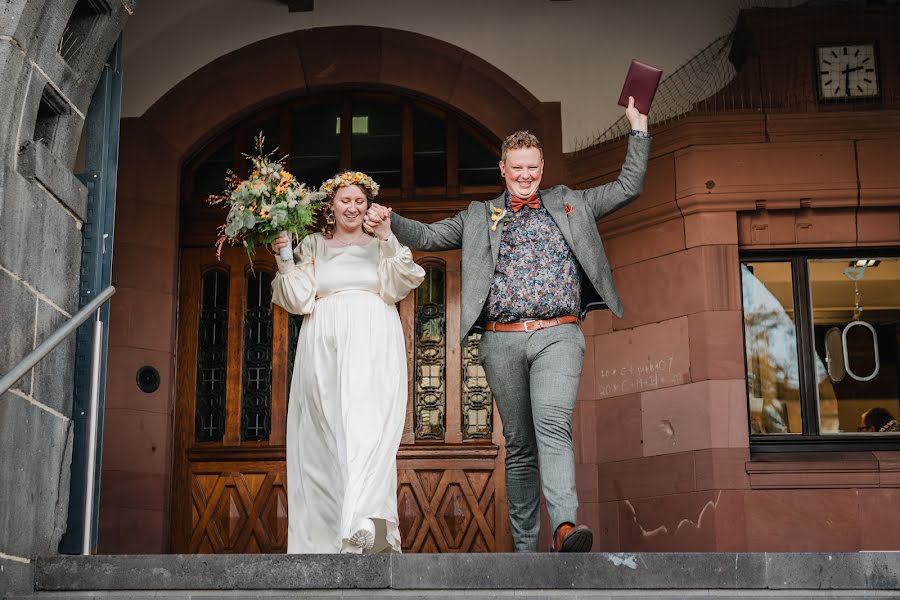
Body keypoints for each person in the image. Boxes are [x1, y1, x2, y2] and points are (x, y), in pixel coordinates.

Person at [365, 97, 650, 553]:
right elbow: (430, 236)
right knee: (519, 444)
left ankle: (563, 527)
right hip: (501, 342)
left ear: (542, 167)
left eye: (532, 169)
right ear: (502, 168)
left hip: (558, 334)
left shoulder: (571, 203)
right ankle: (524, 549)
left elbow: (628, 186)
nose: (524, 176)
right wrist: (389, 220)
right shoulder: (480, 216)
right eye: (516, 168)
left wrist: (638, 128)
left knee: (553, 426)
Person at [271, 170, 425, 554]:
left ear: (369, 204)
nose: (353, 207)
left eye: (359, 200)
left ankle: (366, 531)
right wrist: (285, 259)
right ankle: (325, 540)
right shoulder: (312, 245)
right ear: (332, 205)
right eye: (345, 200)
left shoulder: (382, 244)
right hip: (323, 351)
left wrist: (388, 236)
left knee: (368, 435)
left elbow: (401, 281)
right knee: (325, 440)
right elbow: (298, 299)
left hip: (373, 346)